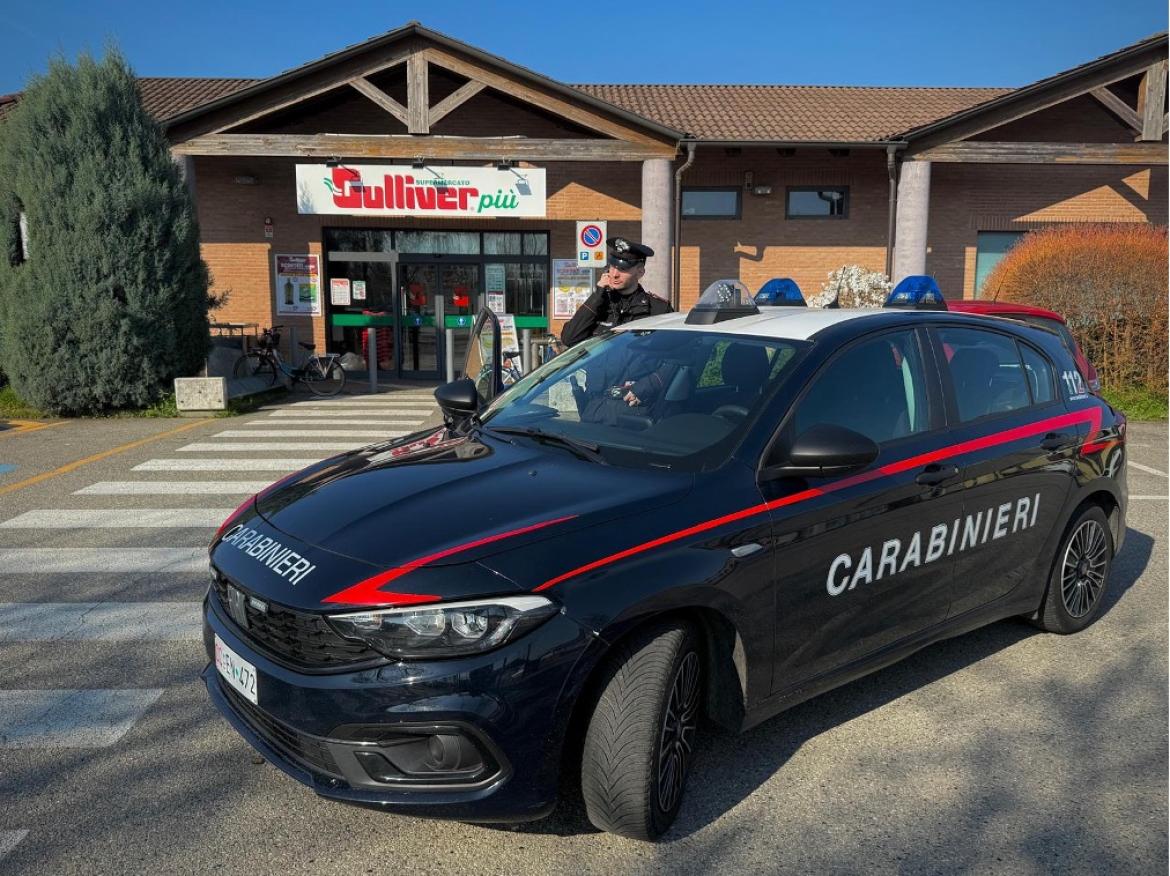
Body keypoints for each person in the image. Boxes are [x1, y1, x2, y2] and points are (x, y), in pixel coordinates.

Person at [560, 237, 673, 348]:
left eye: (623, 269)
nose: (614, 274)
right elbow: (569, 339)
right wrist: (597, 294)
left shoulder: (659, 309)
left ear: (640, 272)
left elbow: (670, 351)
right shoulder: (599, 303)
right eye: (612, 267)